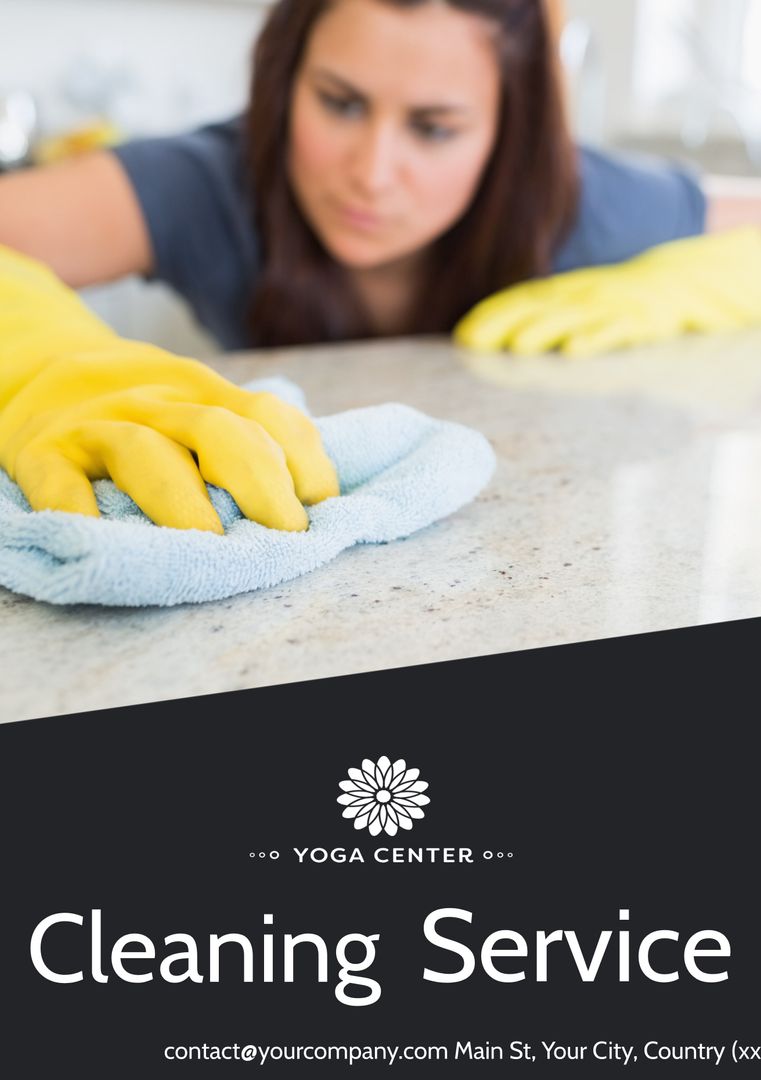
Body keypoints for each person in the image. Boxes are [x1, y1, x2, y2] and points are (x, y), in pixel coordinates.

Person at [2, 0, 761, 531]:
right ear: (284, 79)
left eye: (433, 129)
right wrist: (38, 362)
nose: (372, 172)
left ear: (506, 130)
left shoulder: (583, 202)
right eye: (339, 104)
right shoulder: (208, 185)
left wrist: (715, 279)